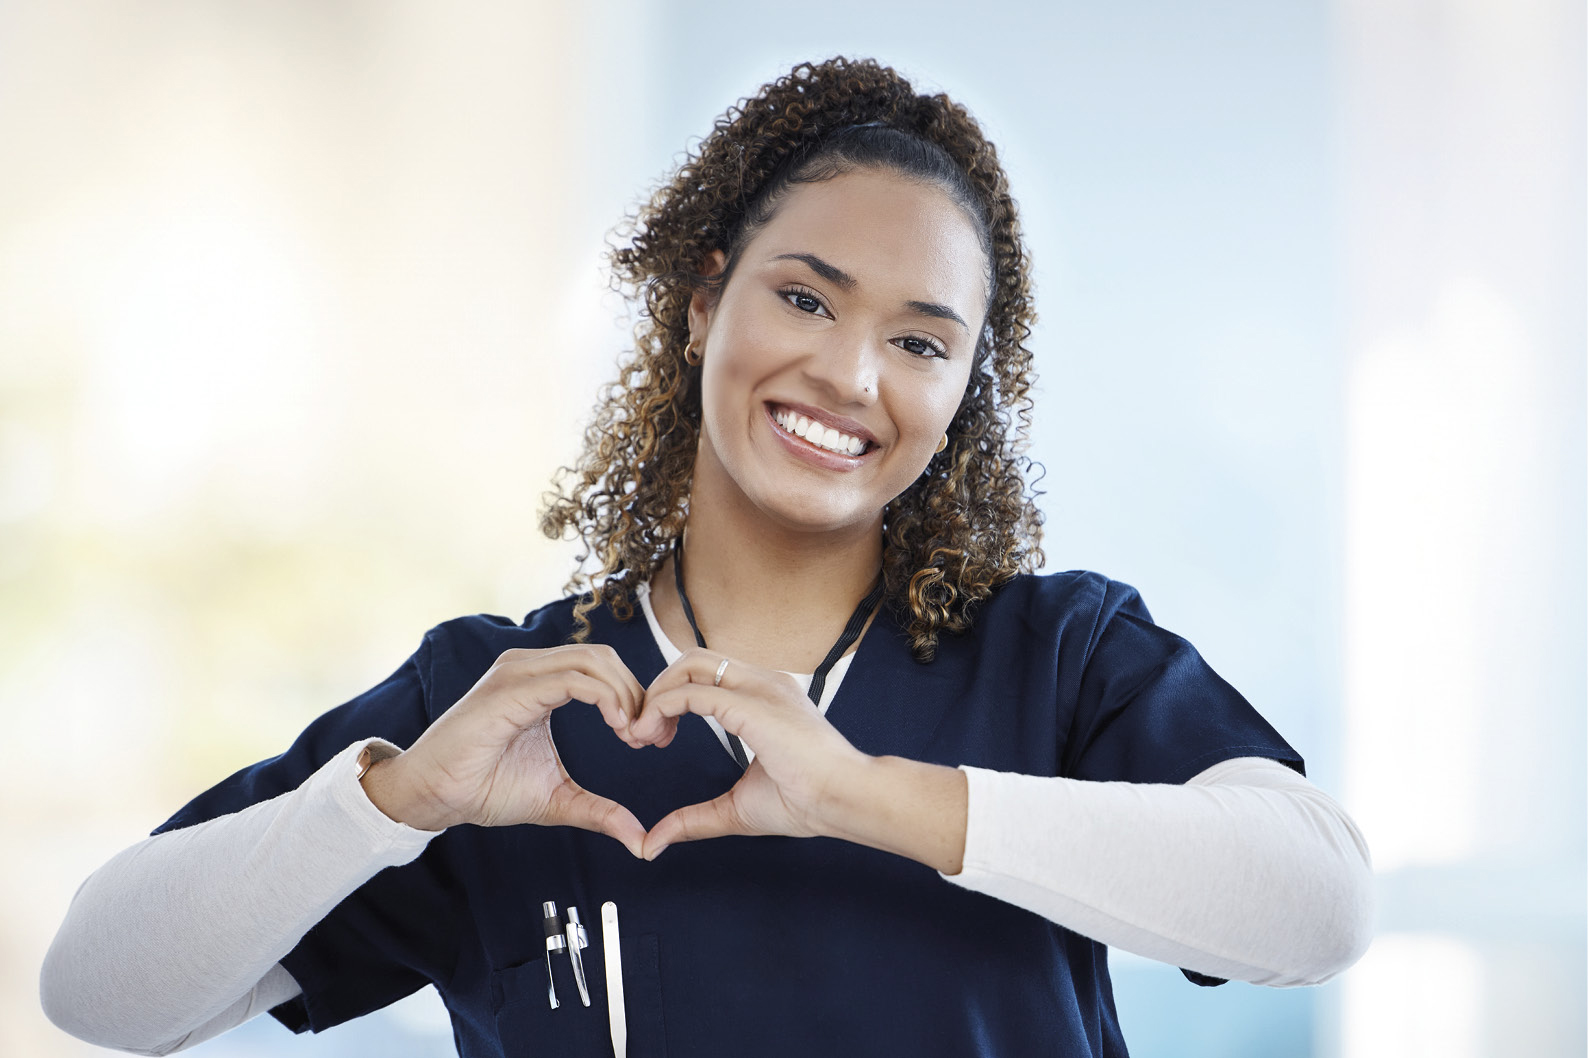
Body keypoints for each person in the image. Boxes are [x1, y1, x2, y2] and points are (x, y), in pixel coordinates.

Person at [40, 56, 1374, 1057]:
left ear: (964, 389)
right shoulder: (500, 715)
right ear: (701, 303)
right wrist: (387, 802)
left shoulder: (1060, 661)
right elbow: (99, 990)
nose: (851, 374)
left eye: (920, 341)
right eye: (804, 297)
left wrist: (865, 796)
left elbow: (1316, 902)